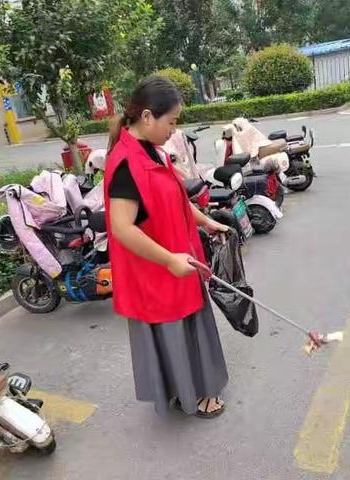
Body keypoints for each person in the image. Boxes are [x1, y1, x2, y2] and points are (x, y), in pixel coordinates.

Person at [104, 76, 229, 418]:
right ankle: (195, 394)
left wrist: (207, 221)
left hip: (179, 259)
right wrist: (169, 260)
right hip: (157, 270)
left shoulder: (153, 152)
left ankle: (187, 389)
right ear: (147, 117)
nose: (174, 130)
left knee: (187, 327)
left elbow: (175, 198)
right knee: (175, 331)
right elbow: (121, 228)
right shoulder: (126, 164)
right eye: (171, 122)